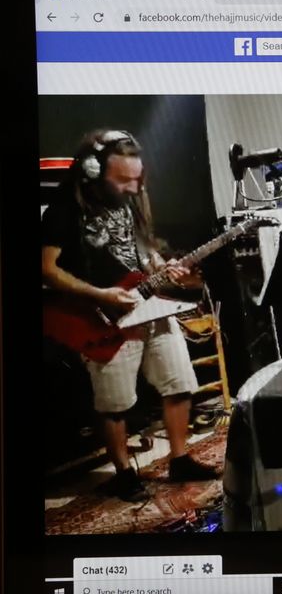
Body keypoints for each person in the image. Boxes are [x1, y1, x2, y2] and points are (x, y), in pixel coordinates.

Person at [42, 129, 219, 502]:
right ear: (93, 171)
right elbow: (46, 269)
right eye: (123, 180)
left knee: (179, 382)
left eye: (137, 179)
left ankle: (180, 459)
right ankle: (124, 474)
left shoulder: (132, 201)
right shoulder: (65, 208)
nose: (133, 187)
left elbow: (143, 251)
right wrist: (101, 294)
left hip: (149, 305)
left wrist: (161, 266)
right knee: (115, 402)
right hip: (103, 316)